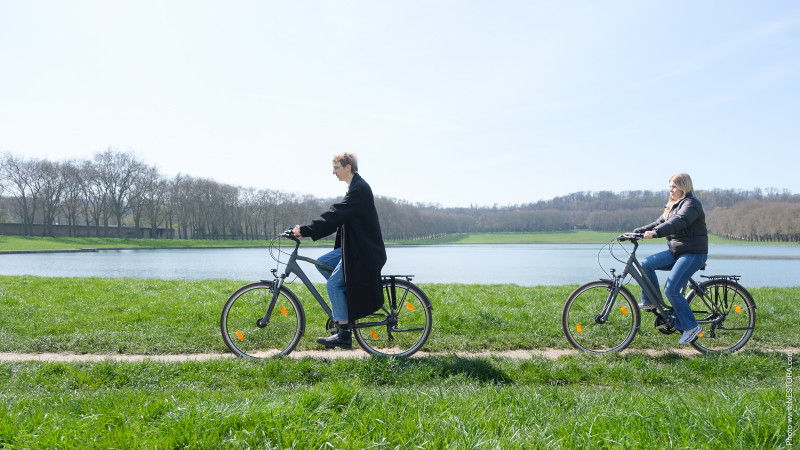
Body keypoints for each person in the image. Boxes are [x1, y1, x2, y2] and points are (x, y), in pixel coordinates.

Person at [293, 152, 387, 349]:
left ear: (348, 167)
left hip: (362, 251)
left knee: (334, 285)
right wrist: (307, 232)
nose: (333, 172)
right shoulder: (353, 188)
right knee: (322, 263)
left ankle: (344, 334)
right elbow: (337, 220)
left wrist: (307, 229)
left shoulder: (359, 189)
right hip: (355, 247)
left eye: (336, 168)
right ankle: (346, 306)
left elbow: (336, 214)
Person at [633, 173, 708, 345]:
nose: (671, 190)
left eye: (674, 186)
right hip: (677, 252)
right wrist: (636, 232)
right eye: (670, 187)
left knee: (672, 289)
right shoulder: (673, 205)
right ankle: (652, 301)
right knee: (646, 264)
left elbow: (679, 221)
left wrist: (656, 233)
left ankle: (691, 327)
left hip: (693, 253)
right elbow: (658, 222)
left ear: (684, 187)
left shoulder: (691, 204)